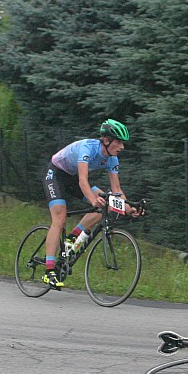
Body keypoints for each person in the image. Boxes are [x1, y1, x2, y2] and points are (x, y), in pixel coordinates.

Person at [41, 119, 138, 289]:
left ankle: (72, 237)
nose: (122, 147)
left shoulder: (112, 159)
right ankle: (49, 271)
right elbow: (83, 180)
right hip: (56, 175)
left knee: (107, 204)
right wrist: (93, 200)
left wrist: (130, 208)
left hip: (72, 178)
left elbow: (117, 190)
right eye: (119, 142)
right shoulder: (88, 148)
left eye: (123, 143)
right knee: (60, 219)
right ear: (106, 140)